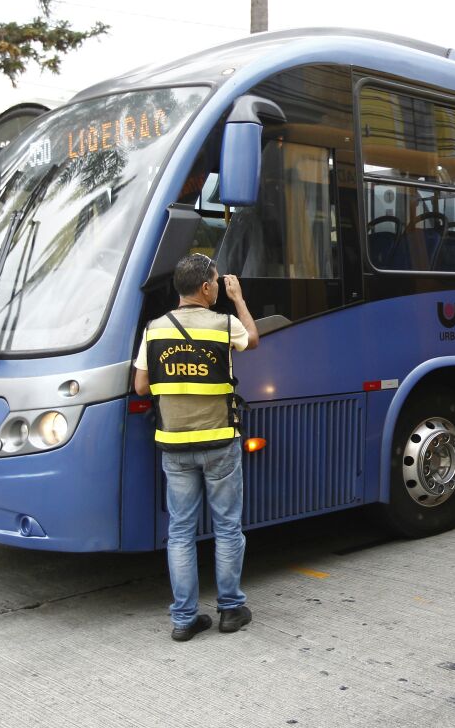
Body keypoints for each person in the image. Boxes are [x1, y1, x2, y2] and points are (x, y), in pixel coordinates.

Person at [133, 253, 260, 641]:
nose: (220, 286)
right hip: (219, 441)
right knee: (226, 527)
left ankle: (184, 619)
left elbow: (140, 387)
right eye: (218, 282)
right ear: (206, 288)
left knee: (181, 532)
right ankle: (230, 609)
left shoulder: (155, 330)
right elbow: (253, 339)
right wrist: (238, 298)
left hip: (174, 445)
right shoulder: (224, 325)